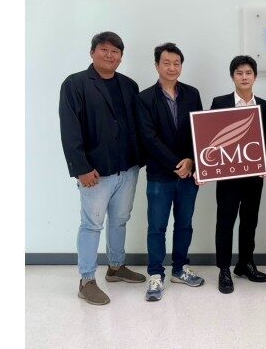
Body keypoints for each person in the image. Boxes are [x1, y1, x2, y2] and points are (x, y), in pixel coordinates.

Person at [59, 31, 146, 306]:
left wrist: (140, 159)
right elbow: (69, 129)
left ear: (121, 57)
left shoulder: (129, 85)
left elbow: (136, 125)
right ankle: (86, 280)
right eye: (104, 49)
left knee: (120, 220)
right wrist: (81, 168)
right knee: (92, 225)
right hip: (95, 172)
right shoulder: (75, 84)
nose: (110, 55)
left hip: (127, 168)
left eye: (115, 51)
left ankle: (116, 267)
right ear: (92, 52)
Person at [136, 42, 205, 302]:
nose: (172, 67)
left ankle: (179, 268)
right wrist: (178, 164)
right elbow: (148, 138)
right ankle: (156, 274)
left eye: (177, 63)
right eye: (166, 63)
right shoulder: (144, 98)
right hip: (160, 174)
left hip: (189, 174)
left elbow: (200, 131)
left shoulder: (192, 94)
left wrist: (192, 161)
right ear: (157, 65)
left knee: (184, 224)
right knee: (157, 226)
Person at [210, 55, 266, 294]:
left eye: (248, 73)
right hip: (228, 177)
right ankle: (224, 269)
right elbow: (210, 138)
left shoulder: (264, 106)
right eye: (239, 73)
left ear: (255, 76)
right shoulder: (220, 102)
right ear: (232, 76)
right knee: (225, 222)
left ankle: (245, 263)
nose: (244, 77)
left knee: (249, 220)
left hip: (254, 176)